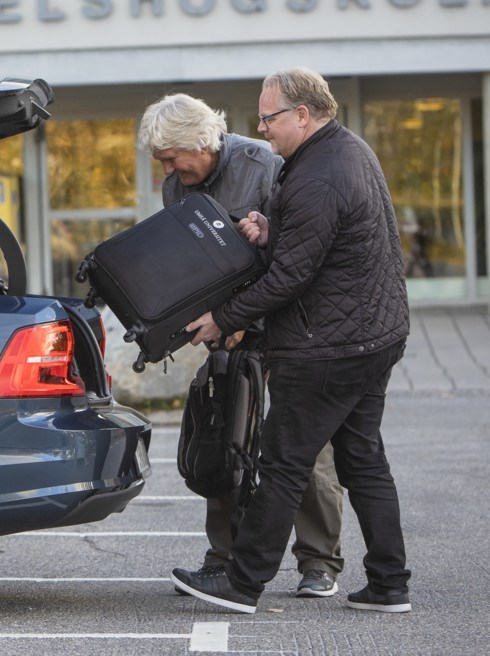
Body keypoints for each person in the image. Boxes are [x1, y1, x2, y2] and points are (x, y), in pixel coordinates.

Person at [170, 68, 412, 614]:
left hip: (328, 346)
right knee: (363, 458)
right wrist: (270, 231)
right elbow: (323, 242)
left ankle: (242, 582)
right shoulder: (345, 151)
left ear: (303, 114)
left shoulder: (317, 174)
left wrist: (221, 317)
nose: (262, 127)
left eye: (269, 116)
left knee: (282, 463)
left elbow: (288, 280)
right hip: (374, 335)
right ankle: (389, 583)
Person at [140, 93, 345, 599]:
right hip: (229, 331)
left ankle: (319, 562)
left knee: (304, 445)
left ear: (204, 141)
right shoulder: (177, 186)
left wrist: (241, 313)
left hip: (290, 325)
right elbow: (195, 265)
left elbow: (293, 256)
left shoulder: (265, 164)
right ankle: (225, 558)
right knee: (225, 439)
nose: (167, 170)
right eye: (161, 161)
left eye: (173, 158)